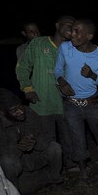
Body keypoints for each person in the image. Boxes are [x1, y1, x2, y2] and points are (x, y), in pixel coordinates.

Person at [54, 18, 98, 182]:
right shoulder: (65, 48)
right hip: (71, 104)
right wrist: (61, 81)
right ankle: (83, 172)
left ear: (89, 36)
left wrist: (92, 76)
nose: (71, 34)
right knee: (77, 139)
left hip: (93, 103)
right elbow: (58, 69)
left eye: (76, 31)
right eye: (71, 30)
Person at [15, 15, 76, 171]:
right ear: (57, 25)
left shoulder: (73, 48)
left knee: (68, 137)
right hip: (41, 102)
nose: (71, 28)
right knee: (47, 139)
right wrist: (27, 89)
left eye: (74, 26)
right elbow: (22, 68)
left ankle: (71, 164)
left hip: (65, 102)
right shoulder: (38, 43)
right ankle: (52, 171)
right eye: (68, 25)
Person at [0, 88, 63, 192]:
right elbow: (3, 156)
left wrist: (35, 141)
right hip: (20, 170)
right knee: (8, 162)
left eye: (20, 106)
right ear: (2, 112)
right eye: (13, 110)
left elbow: (47, 137)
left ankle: (55, 181)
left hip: (36, 160)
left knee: (55, 147)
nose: (20, 111)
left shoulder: (29, 112)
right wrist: (18, 148)